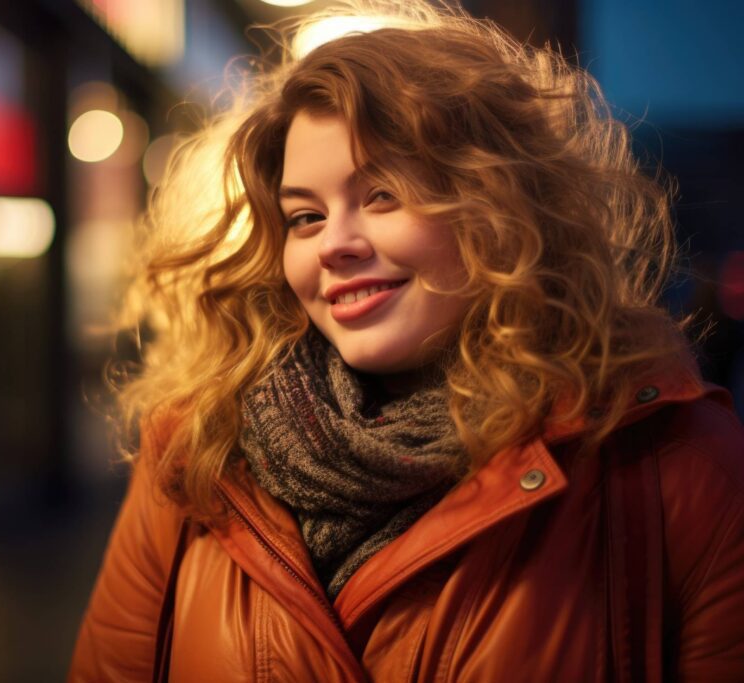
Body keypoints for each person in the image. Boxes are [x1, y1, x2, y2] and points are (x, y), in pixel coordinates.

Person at [69, 2, 744, 680]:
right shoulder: (198, 450)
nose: (334, 244)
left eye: (384, 194)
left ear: (501, 209)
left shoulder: (672, 462)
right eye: (305, 216)